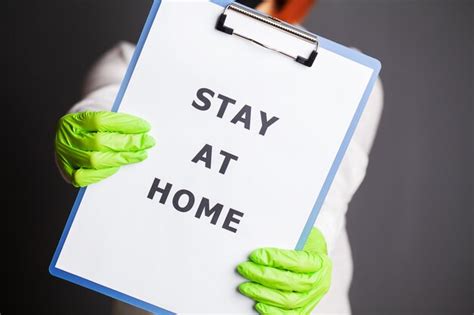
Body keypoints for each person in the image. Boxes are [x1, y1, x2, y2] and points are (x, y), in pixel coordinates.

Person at [54, 0, 383, 314]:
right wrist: (88, 131)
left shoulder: (344, 82)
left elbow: (335, 183)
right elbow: (104, 102)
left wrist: (316, 236)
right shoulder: (132, 60)